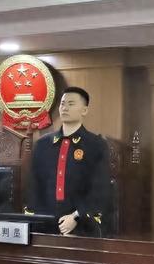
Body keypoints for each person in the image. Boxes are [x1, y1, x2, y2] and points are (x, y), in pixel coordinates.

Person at [28, 86, 111, 236]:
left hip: (82, 224)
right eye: (62, 103)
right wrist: (37, 219)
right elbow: (34, 186)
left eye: (71, 104)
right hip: (44, 223)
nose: (64, 108)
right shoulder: (42, 144)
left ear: (84, 110)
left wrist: (76, 216)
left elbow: (100, 188)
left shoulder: (96, 145)